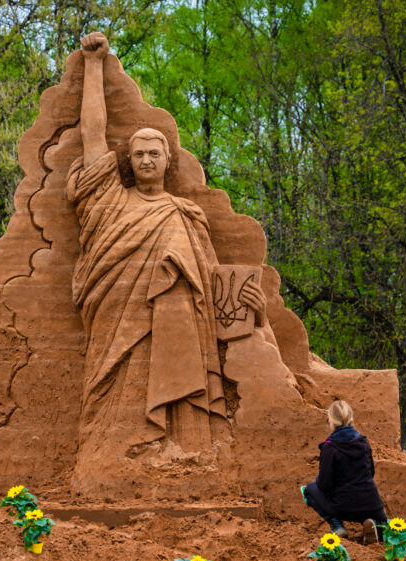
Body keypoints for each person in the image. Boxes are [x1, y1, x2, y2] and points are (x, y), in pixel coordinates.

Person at [67, 32, 264, 457]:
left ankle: (186, 447)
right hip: (119, 330)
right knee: (116, 405)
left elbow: (216, 292)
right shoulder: (110, 202)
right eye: (138, 154)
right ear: (128, 162)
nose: (147, 160)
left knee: (182, 376)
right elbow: (93, 134)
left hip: (180, 337)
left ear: (168, 160)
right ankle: (116, 452)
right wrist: (94, 65)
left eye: (155, 153)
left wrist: (252, 308)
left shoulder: (185, 214)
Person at [301, 400, 388, 542]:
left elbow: (325, 485)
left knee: (310, 489)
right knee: (382, 520)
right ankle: (376, 524)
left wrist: (320, 482)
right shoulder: (363, 442)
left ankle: (337, 526)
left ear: (331, 421)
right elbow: (371, 473)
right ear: (351, 419)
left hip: (344, 507)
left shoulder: (330, 447)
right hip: (372, 504)